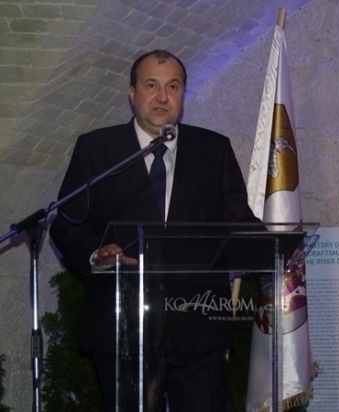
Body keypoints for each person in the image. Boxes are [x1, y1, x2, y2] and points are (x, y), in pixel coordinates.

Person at [50, 50, 260, 412]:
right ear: (132, 93)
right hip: (122, 328)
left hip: (198, 329)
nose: (162, 96)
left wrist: (273, 243)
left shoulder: (213, 149)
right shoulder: (98, 149)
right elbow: (66, 223)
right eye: (151, 85)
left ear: (183, 95)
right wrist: (95, 254)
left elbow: (238, 222)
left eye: (173, 86)